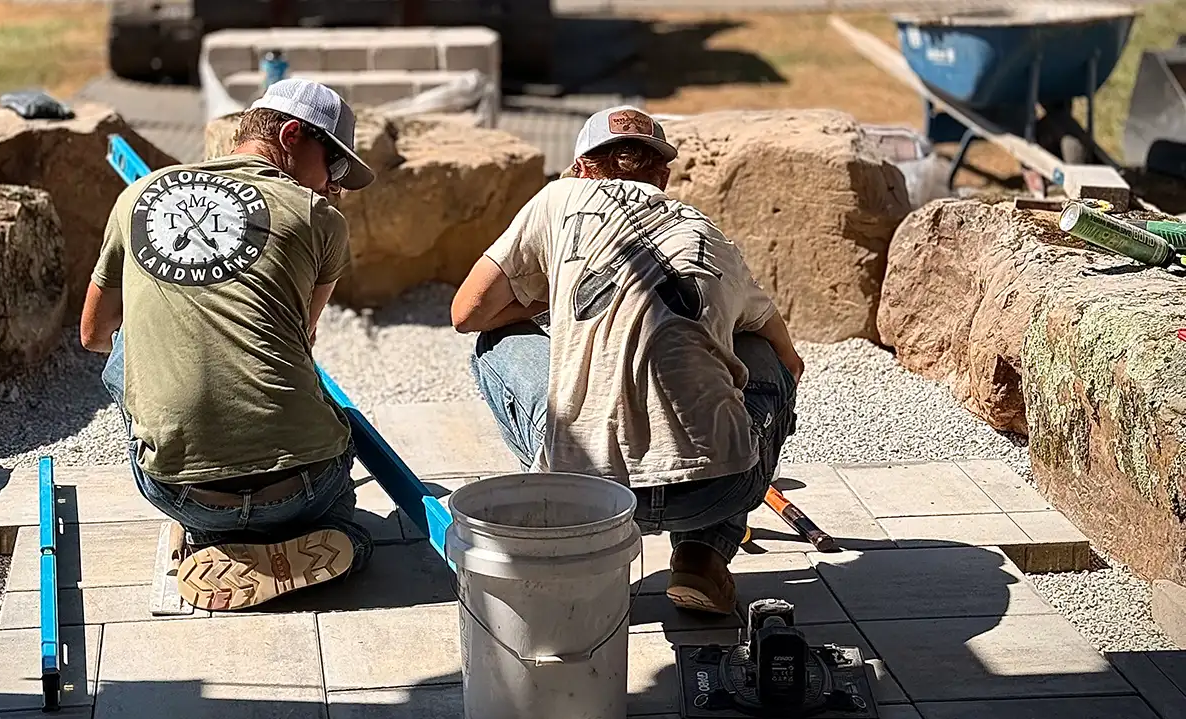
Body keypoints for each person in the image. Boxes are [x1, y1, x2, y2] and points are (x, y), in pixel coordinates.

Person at [450, 106, 802, 617]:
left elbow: (467, 312)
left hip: (592, 492)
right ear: (663, 176)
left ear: (579, 169)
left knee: (494, 343)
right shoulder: (704, 231)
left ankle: (561, 509)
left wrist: (551, 298)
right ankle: (702, 554)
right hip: (717, 490)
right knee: (758, 353)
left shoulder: (559, 198)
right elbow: (786, 356)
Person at [81, 78, 377, 612]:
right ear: (292, 136)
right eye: (334, 169)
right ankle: (334, 536)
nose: (336, 188)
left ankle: (209, 537)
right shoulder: (319, 217)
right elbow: (301, 339)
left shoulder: (135, 199)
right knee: (330, 456)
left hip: (185, 491)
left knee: (127, 351)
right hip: (304, 484)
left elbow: (93, 334)